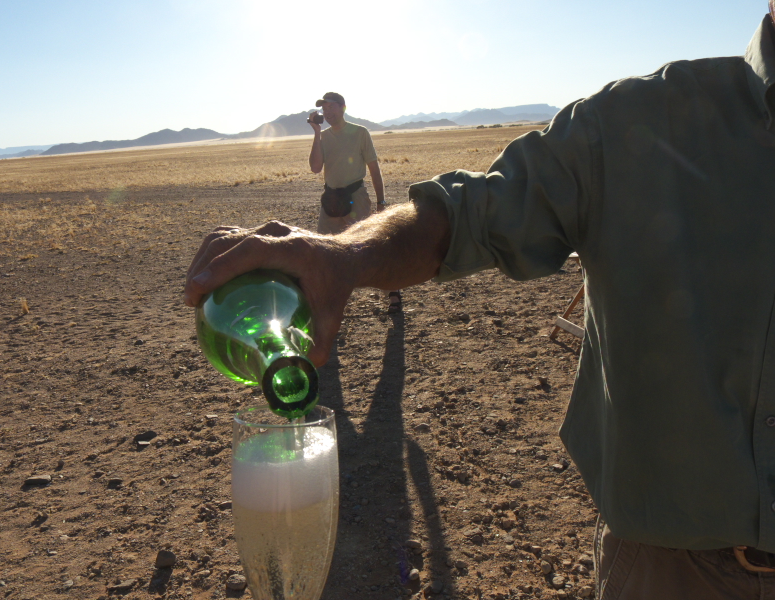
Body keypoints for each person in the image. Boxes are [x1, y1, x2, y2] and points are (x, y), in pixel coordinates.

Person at [187, 7, 775, 599]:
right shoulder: (638, 122)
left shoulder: (361, 133)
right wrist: (344, 255)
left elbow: (382, 172)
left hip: (357, 197)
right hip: (676, 569)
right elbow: (469, 214)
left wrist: (368, 215)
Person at [308, 91, 402, 313]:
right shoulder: (323, 136)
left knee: (369, 247)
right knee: (323, 250)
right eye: (324, 108)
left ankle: (393, 291)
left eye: (331, 107)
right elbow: (315, 168)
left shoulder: (360, 133)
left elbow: (374, 169)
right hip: (331, 200)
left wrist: (381, 201)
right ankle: (326, 301)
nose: (327, 112)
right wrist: (316, 133)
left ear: (343, 107)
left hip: (356, 197)